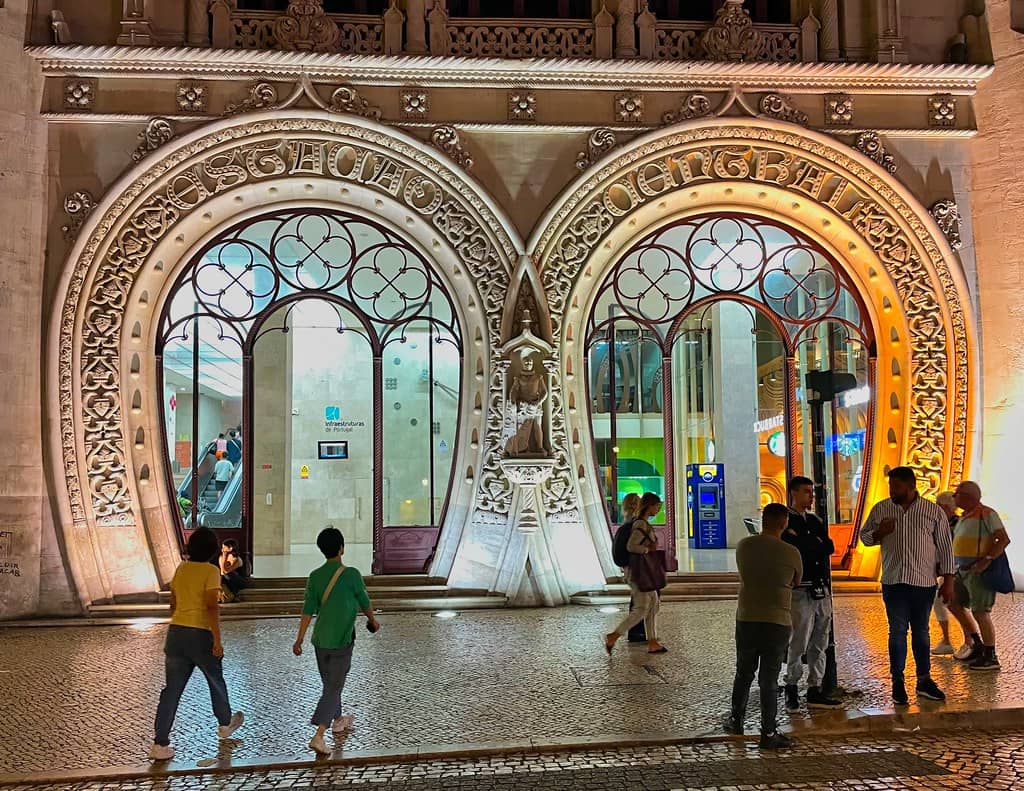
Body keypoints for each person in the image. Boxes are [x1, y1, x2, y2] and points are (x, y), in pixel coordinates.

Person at [860, 466, 955, 705]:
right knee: (897, 632)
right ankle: (897, 682)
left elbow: (945, 547)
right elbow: (865, 537)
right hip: (894, 581)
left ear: (911, 487)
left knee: (921, 632)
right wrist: (880, 532)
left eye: (897, 486)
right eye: (890, 486)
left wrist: (948, 580)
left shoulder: (932, 512)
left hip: (923, 583)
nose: (892, 490)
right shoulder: (881, 509)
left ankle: (924, 679)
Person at [150, 527, 244, 761]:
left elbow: (173, 603)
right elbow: (212, 606)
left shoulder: (181, 569)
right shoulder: (211, 571)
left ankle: (160, 744)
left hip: (176, 633)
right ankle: (224, 724)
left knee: (171, 691)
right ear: (212, 549)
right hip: (200, 633)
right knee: (215, 679)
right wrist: (217, 639)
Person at [293, 526, 381, 756]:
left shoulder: (314, 576)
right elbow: (364, 600)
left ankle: (339, 720)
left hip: (320, 640)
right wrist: (373, 620)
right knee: (334, 687)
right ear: (341, 548)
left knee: (330, 684)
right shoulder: (351, 574)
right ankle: (319, 735)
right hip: (342, 640)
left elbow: (308, 609)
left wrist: (299, 638)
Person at [724, 503, 802, 749]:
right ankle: (768, 733)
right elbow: (796, 581)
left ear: (763, 520)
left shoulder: (745, 546)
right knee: (769, 678)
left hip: (747, 616)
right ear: (784, 524)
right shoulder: (791, 552)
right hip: (777, 620)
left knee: (744, 672)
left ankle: (736, 719)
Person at [782, 476, 840, 711]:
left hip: (820, 586)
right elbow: (796, 547)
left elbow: (828, 547)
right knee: (798, 639)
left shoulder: (815, 520)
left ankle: (815, 686)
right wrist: (812, 543)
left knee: (820, 638)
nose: (811, 496)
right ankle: (792, 686)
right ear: (794, 493)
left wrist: (809, 542)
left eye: (811, 492)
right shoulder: (786, 520)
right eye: (806, 492)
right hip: (800, 587)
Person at [949, 481, 1011, 671]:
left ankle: (990, 655)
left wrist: (987, 559)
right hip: (962, 570)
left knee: (980, 612)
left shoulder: (986, 513)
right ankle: (976, 642)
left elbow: (1003, 538)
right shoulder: (964, 517)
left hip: (978, 571)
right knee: (952, 601)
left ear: (968, 496)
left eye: (957, 493)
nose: (954, 497)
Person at [604, 492, 667, 655]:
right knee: (641, 608)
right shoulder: (641, 524)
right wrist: (647, 549)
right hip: (638, 572)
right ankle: (613, 635)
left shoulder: (641, 522)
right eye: (656, 506)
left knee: (654, 604)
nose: (657, 510)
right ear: (649, 506)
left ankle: (653, 642)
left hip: (641, 572)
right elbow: (632, 546)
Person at [930, 491, 964, 656]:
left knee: (952, 603)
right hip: (951, 569)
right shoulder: (951, 523)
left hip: (957, 570)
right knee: (944, 602)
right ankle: (951, 640)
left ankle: (965, 640)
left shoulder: (955, 524)